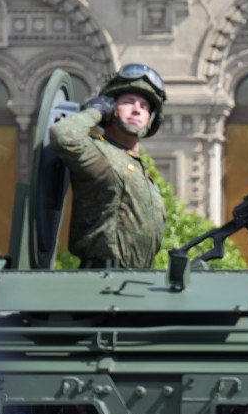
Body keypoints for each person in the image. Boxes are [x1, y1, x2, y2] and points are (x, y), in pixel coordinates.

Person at [50, 63, 168, 269]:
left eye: (144, 106)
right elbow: (64, 136)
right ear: (111, 109)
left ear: (151, 119)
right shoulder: (100, 155)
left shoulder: (143, 173)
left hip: (138, 282)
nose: (136, 110)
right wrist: (94, 113)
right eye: (128, 102)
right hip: (102, 278)